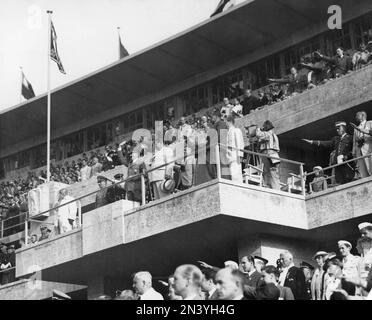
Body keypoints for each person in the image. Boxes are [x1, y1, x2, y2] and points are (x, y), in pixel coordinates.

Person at [256, 120, 281, 190]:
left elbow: (258, 135)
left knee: (269, 173)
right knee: (274, 174)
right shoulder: (274, 135)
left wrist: (258, 129)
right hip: (275, 156)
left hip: (269, 154)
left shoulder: (267, 134)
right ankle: (277, 189)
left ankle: (272, 189)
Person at [351, 111, 372, 178]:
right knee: (363, 171)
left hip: (368, 149)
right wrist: (353, 152)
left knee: (370, 167)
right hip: (359, 150)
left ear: (363, 116)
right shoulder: (356, 128)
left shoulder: (370, 123)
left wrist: (364, 137)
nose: (356, 117)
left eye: (358, 115)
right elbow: (354, 141)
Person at [226, 115, 244, 183]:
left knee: (236, 172)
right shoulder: (228, 132)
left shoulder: (236, 130)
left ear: (229, 121)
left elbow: (239, 143)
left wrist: (239, 155)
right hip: (230, 155)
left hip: (235, 154)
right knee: (232, 172)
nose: (226, 124)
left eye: (226, 122)